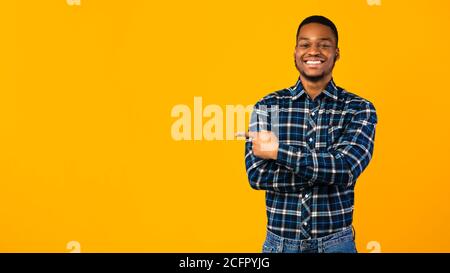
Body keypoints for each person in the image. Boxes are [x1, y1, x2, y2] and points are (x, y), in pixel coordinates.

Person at [243, 15, 377, 253]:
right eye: (305, 44)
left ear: (336, 53)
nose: (313, 51)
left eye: (324, 45)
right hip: (279, 246)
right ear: (295, 52)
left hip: (337, 245)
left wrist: (277, 152)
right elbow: (257, 176)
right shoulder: (266, 106)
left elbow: (345, 169)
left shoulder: (359, 108)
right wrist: (325, 173)